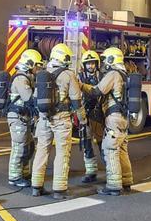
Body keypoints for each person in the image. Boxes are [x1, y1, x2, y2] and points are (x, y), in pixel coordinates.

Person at [31, 43, 87, 200]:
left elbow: (36, 99)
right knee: (62, 153)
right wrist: (82, 119)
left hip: (44, 119)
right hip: (61, 119)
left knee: (42, 150)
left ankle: (36, 186)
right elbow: (77, 100)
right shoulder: (69, 75)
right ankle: (59, 189)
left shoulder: (43, 73)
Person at [83, 47, 134, 196]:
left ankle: (113, 186)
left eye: (106, 59)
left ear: (112, 60)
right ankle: (126, 181)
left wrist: (81, 86)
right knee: (123, 151)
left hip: (114, 118)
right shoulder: (124, 75)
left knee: (110, 150)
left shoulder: (113, 74)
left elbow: (96, 91)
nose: (104, 62)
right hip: (123, 118)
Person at [6, 49, 43, 187]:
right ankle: (15, 177)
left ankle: (24, 173)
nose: (37, 69)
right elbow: (29, 99)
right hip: (17, 117)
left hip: (23, 118)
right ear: (29, 64)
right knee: (19, 146)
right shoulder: (21, 79)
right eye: (36, 66)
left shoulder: (26, 77)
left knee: (28, 146)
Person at [78, 50, 104, 183]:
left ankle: (110, 170)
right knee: (87, 144)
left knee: (102, 143)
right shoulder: (79, 77)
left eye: (92, 63)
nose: (90, 66)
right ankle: (91, 172)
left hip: (99, 115)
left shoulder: (102, 76)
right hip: (85, 115)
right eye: (88, 63)